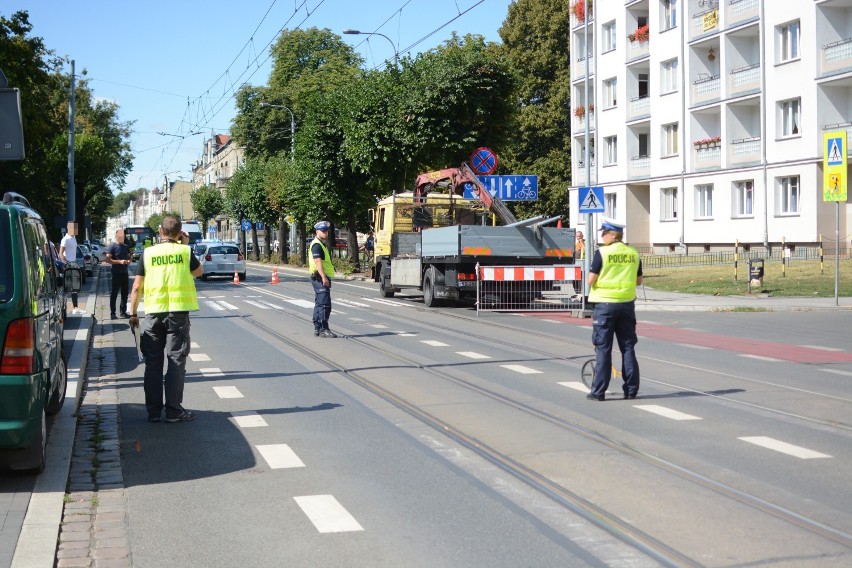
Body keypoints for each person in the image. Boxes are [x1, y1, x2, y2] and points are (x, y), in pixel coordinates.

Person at [128, 216, 203, 423]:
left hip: (153, 315)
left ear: (160, 231)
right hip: (177, 316)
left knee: (152, 364)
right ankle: (173, 411)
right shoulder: (185, 251)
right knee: (176, 361)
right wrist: (185, 246)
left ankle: (153, 412)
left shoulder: (148, 253)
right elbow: (199, 272)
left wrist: (133, 313)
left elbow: (136, 287)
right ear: (180, 233)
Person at [586, 219, 643, 401]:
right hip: (626, 304)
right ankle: (631, 390)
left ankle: (598, 392)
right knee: (627, 348)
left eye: (603, 233)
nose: (602, 236)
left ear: (611, 234)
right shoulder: (633, 253)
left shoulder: (602, 253)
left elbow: (590, 280)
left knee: (603, 349)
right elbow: (638, 281)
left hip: (605, 306)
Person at [310, 220, 336, 338]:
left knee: (319, 303)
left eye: (326, 231)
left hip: (318, 277)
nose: (325, 233)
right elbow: (317, 261)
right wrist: (324, 277)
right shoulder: (317, 245)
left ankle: (317, 327)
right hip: (320, 277)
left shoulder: (320, 244)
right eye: (323, 231)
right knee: (325, 304)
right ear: (317, 231)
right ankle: (323, 329)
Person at [105, 229, 132, 319]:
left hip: (125, 272)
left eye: (123, 236)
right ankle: (113, 313)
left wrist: (128, 261)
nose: (122, 237)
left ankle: (123, 312)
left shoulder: (125, 246)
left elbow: (129, 258)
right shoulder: (112, 246)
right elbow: (107, 259)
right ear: (116, 236)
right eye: (120, 236)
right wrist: (119, 262)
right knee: (114, 293)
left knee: (125, 293)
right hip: (116, 273)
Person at [59, 222, 84, 315]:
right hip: (67, 266)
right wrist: (67, 264)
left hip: (73, 264)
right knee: (66, 288)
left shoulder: (74, 238)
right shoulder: (65, 239)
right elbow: (61, 254)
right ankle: (62, 309)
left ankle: (75, 308)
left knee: (74, 288)